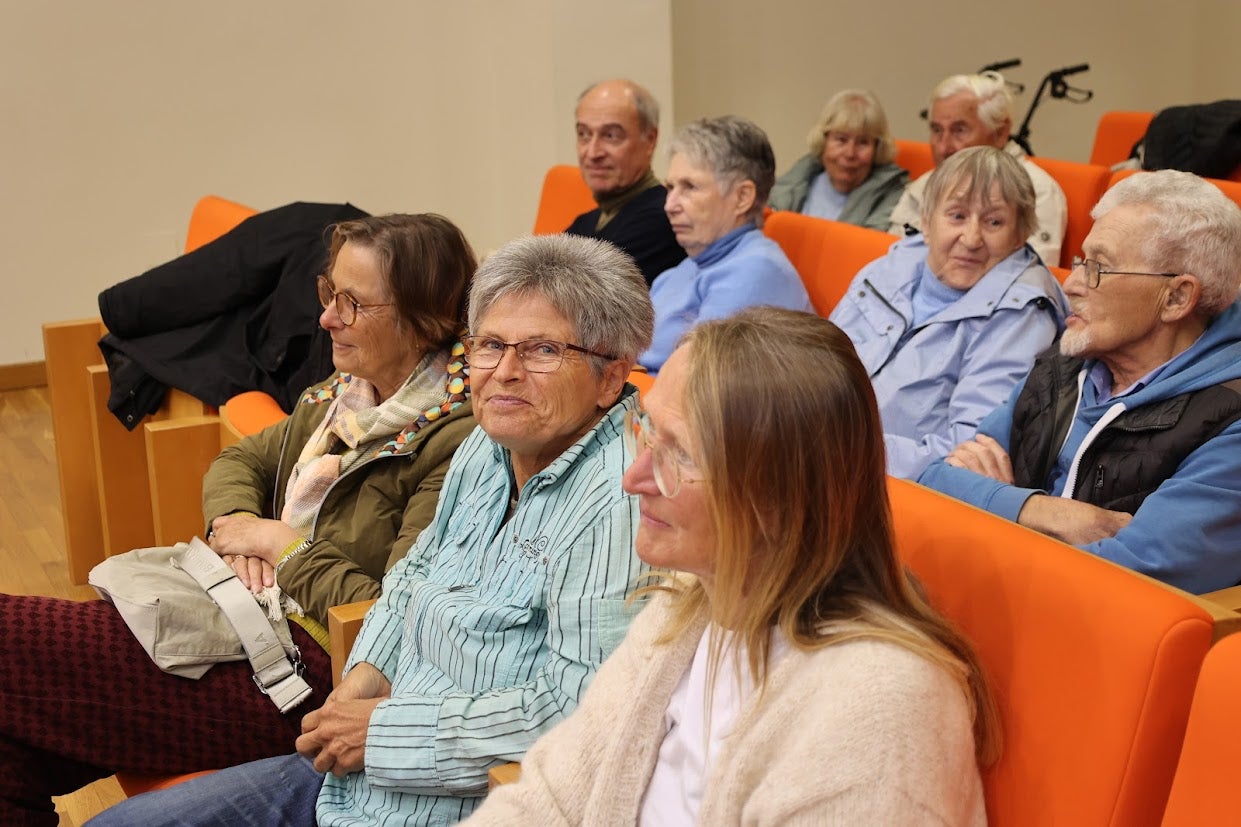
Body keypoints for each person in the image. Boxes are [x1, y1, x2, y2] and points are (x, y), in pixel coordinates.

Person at [88, 233, 656, 827]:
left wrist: (381, 732)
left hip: (457, 801)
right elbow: (411, 579)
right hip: (353, 775)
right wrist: (360, 683)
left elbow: (581, 710)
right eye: (490, 345)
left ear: (609, 377)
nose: (504, 373)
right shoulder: (488, 447)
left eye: (541, 350)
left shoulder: (625, 498)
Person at [0, 213, 480, 825]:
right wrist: (238, 528)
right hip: (239, 613)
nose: (327, 318)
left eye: (354, 304)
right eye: (328, 292)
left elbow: (389, 616)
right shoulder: (348, 392)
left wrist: (283, 546)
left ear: (425, 317)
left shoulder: (455, 443)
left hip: (303, 670)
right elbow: (240, 458)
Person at [461, 307, 997, 824]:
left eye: (681, 455)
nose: (635, 478)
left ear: (779, 498)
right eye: (647, 431)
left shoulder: (880, 709)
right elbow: (551, 799)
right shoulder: (689, 605)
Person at [920, 170, 1241, 594]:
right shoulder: (1069, 363)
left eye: (1098, 269)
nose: (1070, 284)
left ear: (1177, 298)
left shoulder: (1229, 421)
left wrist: (990, 508)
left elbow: (1119, 579)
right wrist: (1044, 512)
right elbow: (935, 481)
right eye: (1079, 261)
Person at [829, 146, 1067, 479]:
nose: (971, 239)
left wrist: (837, 448)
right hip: (817, 451)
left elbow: (968, 450)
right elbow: (816, 365)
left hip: (883, 483)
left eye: (994, 222)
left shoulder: (1022, 314)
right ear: (926, 222)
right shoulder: (887, 268)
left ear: (1019, 236)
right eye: (957, 216)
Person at [640, 115, 812, 374]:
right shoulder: (691, 263)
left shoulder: (757, 271)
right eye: (670, 187)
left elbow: (696, 386)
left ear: (742, 197)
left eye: (689, 187)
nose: (669, 205)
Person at [887, 71, 1067, 266]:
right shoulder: (923, 185)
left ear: (1000, 132)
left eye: (959, 130)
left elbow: (1030, 278)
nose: (943, 147)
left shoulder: (1036, 191)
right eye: (937, 130)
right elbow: (889, 261)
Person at [565, 78, 686, 285]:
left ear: (650, 140)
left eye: (611, 136)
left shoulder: (664, 219)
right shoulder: (586, 222)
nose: (592, 152)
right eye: (583, 134)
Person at [768, 89, 909, 230]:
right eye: (841, 139)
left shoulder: (893, 197)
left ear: (877, 148)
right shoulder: (799, 178)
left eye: (863, 142)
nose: (850, 153)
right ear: (824, 141)